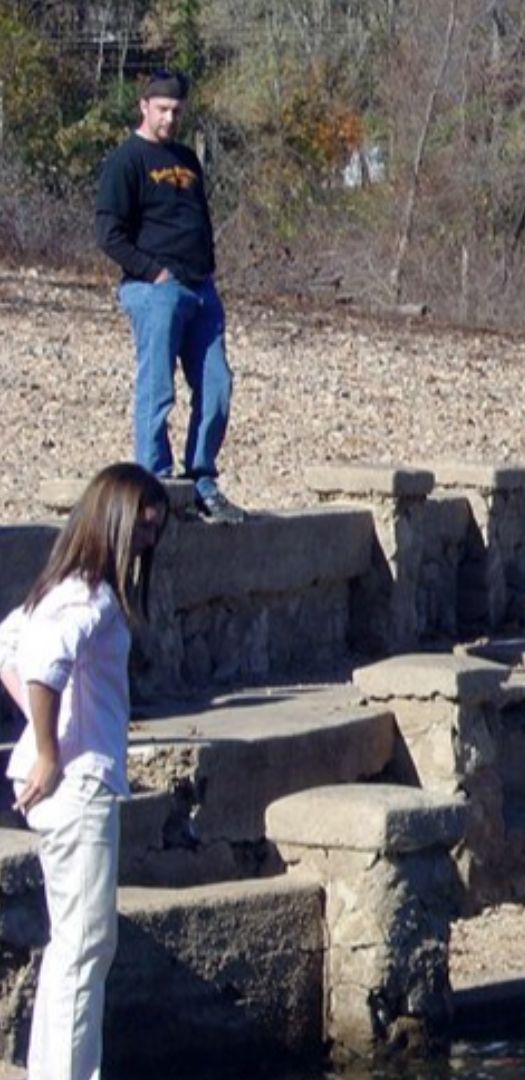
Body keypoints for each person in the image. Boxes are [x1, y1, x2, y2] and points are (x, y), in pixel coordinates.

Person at [0, 463, 168, 1080]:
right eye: (144, 529)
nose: (150, 543)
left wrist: (51, 728)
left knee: (74, 945)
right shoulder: (90, 595)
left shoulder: (61, 585)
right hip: (79, 786)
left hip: (69, 784)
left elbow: (8, 645)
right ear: (115, 522)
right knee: (87, 946)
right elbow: (41, 665)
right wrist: (48, 750)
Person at [96, 70, 247, 525]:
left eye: (177, 111)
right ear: (143, 107)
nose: (169, 117)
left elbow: (197, 217)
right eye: (162, 109)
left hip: (201, 288)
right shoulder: (126, 160)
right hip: (155, 290)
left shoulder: (186, 159)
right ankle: (153, 483)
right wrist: (154, 273)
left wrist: (205, 270)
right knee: (157, 388)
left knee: (217, 385)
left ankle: (201, 481)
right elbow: (109, 233)